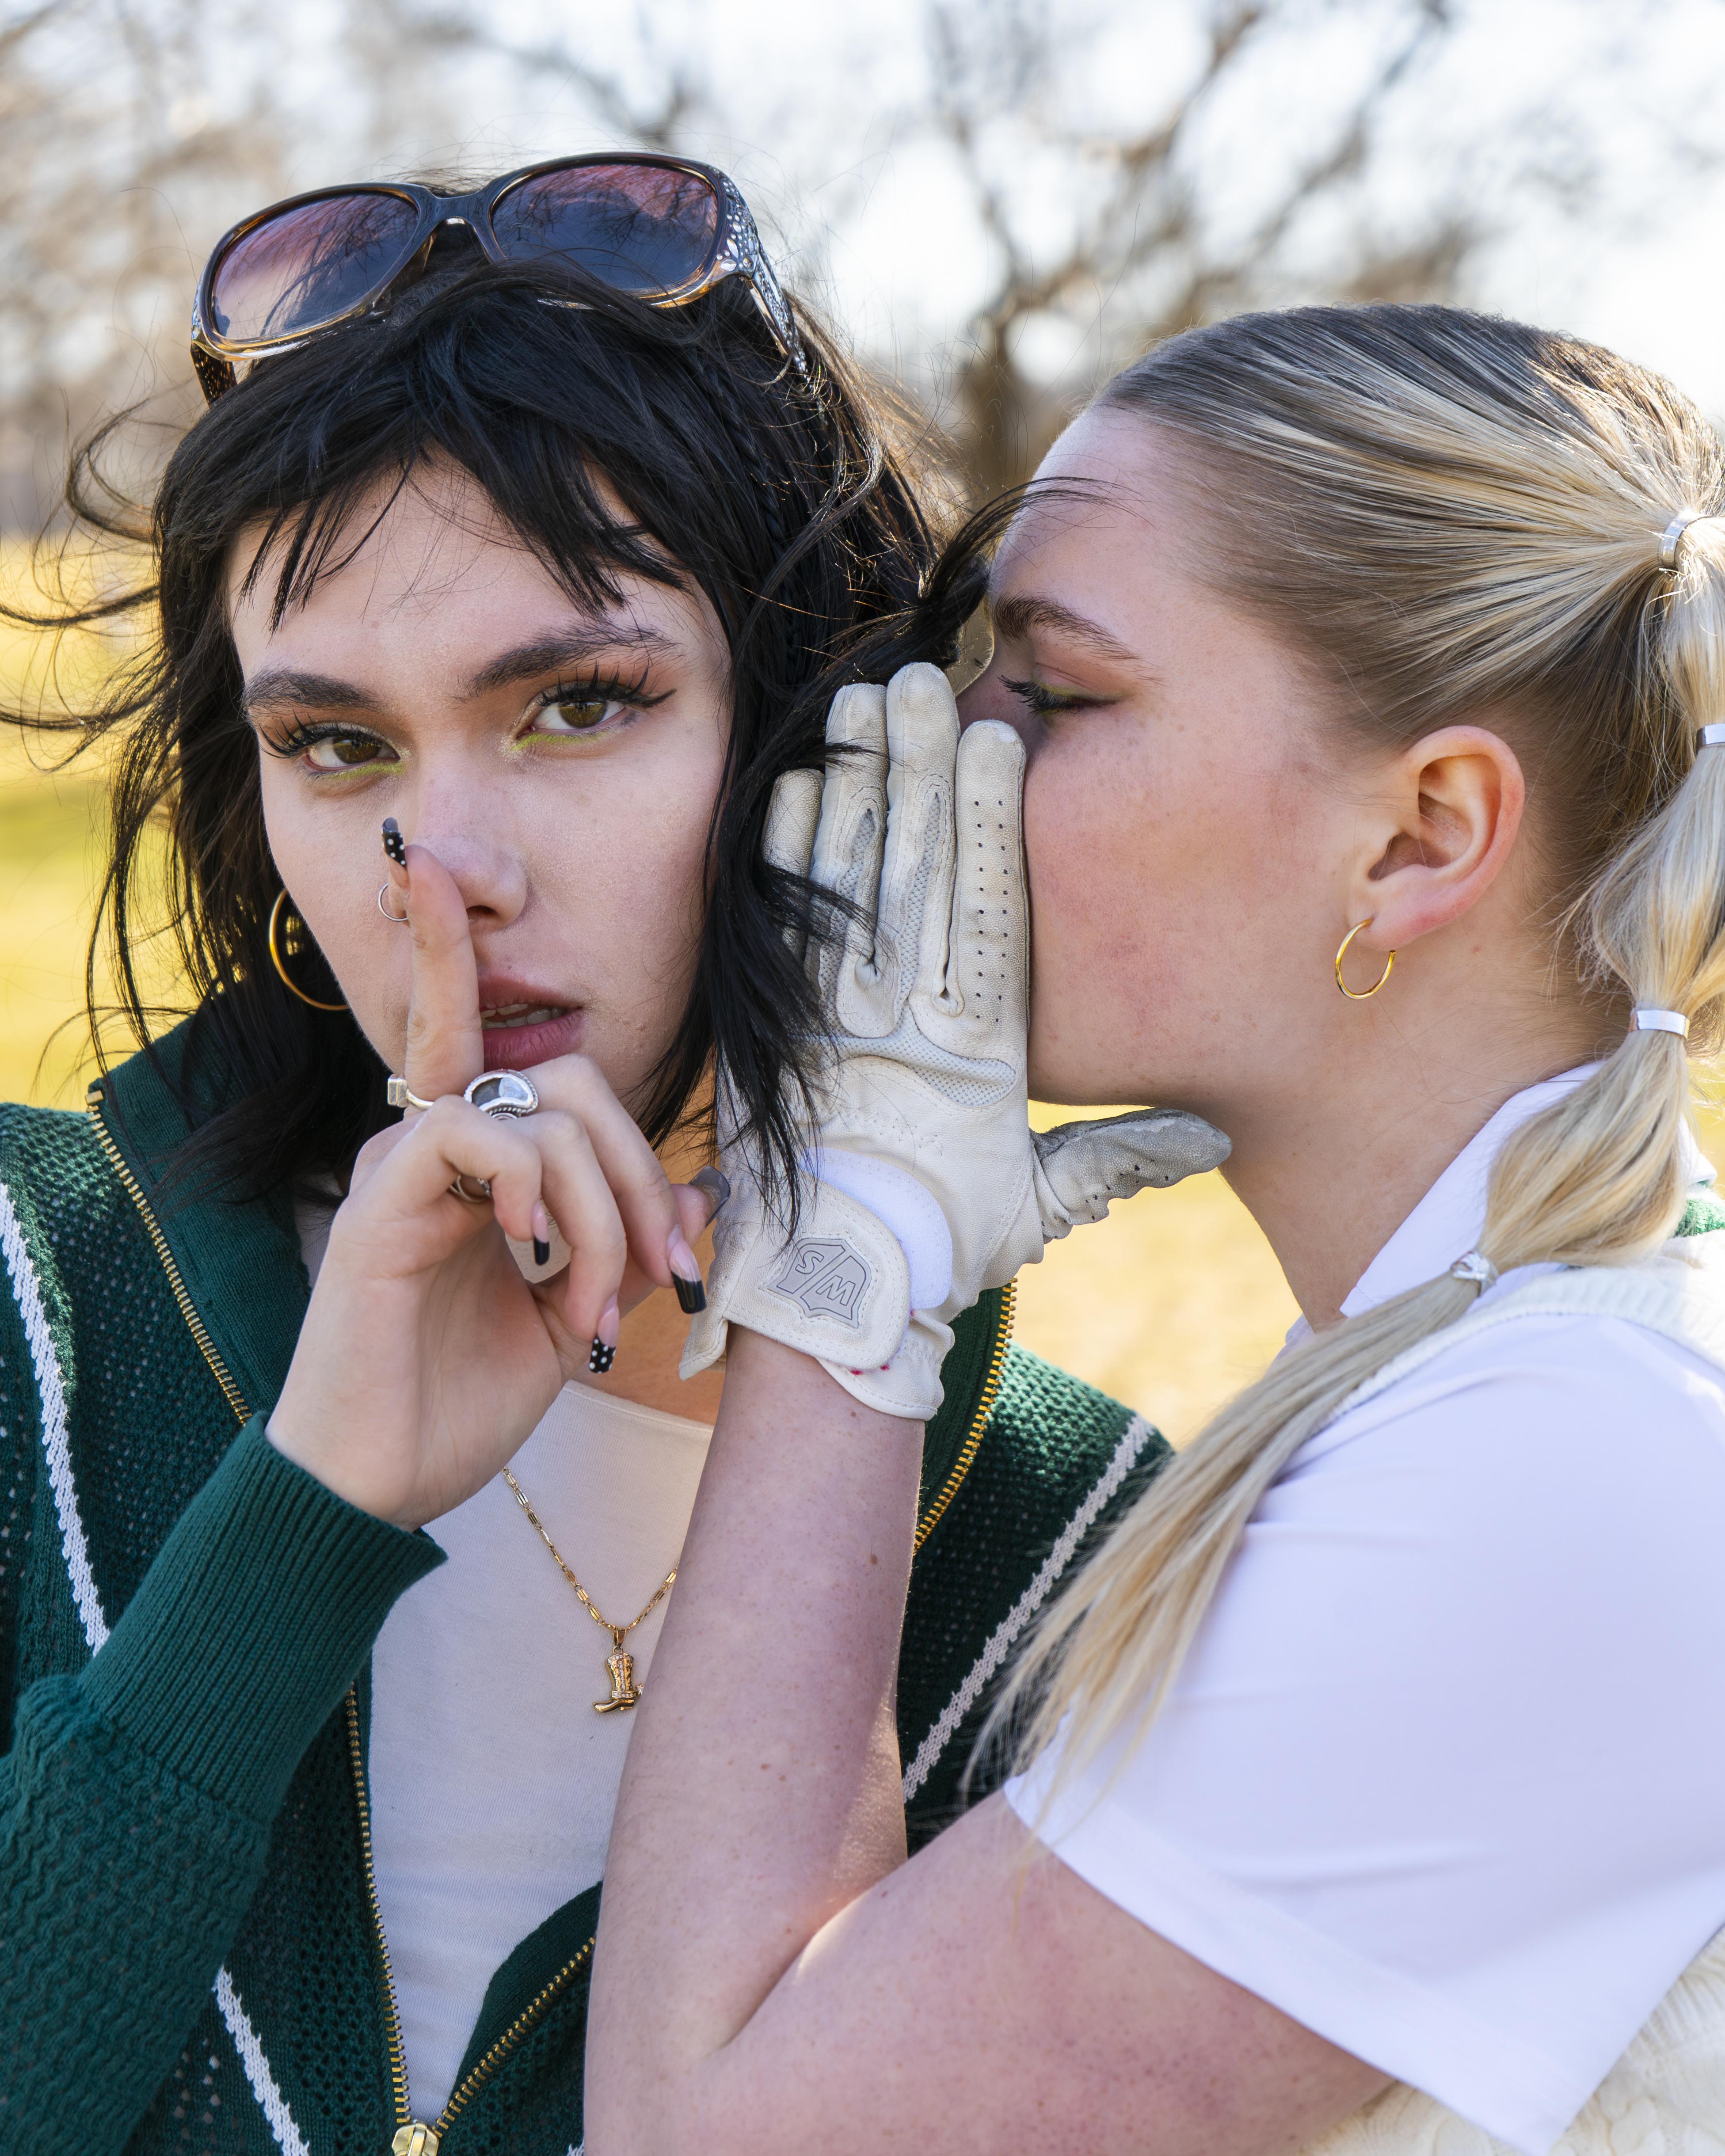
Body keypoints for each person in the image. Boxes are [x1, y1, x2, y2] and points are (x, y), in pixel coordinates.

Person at [0, 159, 1223, 2156]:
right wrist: (302, 1514)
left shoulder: (1071, 1555)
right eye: (336, 745)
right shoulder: (32, 1296)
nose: (447, 873)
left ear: (814, 716)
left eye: (578, 706)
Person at [570, 305, 1725, 2156]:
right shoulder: (1506, 1385)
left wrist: (852, 1261)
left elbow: (708, 2136)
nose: (951, 745)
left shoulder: (1559, 1465)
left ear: (1421, 837)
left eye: (1058, 691)